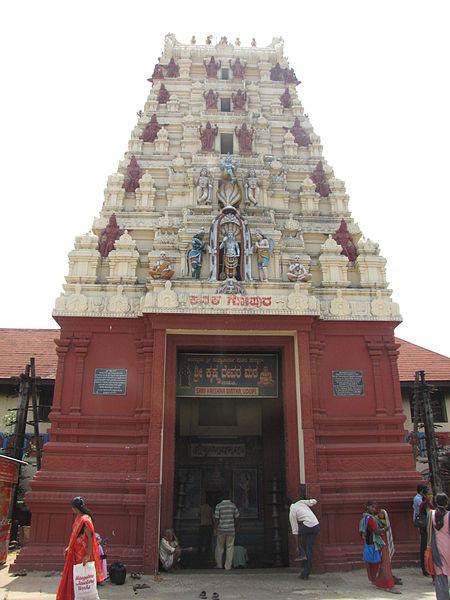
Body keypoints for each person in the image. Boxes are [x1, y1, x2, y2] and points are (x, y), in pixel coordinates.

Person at [56, 496, 104, 600]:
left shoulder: (85, 520)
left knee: (81, 576)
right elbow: (75, 535)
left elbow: (91, 538)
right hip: (75, 551)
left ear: (75, 508)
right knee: (75, 575)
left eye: (72, 508)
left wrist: (87, 555)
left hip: (82, 554)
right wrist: (69, 546)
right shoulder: (79, 518)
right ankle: (74, 595)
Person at [359, 499, 401, 594]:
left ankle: (380, 582)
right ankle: (389, 585)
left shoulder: (365, 518)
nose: (373, 509)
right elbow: (376, 531)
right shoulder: (370, 519)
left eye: (375, 507)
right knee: (385, 564)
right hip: (378, 544)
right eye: (372, 507)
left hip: (371, 545)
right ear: (367, 507)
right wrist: (385, 529)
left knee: (378, 565)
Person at [289, 496, 320, 579]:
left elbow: (295, 530)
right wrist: (312, 500)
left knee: (297, 534)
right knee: (309, 549)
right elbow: (313, 501)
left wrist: (296, 546)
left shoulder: (292, 511)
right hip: (316, 525)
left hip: (308, 526)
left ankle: (302, 553)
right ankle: (305, 573)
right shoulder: (300, 502)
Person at [428, 492, 450, 599]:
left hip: (437, 547)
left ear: (435, 503)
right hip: (448, 546)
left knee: (441, 575)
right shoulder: (449, 515)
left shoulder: (431, 514)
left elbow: (429, 532)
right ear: (447, 503)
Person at [214, 492, 239, 570]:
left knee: (219, 547)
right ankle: (228, 566)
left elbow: (217, 519)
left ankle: (219, 564)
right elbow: (237, 518)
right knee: (230, 547)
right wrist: (236, 527)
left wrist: (215, 529)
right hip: (231, 529)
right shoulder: (233, 506)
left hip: (221, 529)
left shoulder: (219, 506)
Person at [414, 483, 430, 576]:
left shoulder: (423, 498)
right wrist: (426, 498)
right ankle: (424, 568)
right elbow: (422, 507)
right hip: (422, 523)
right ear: (421, 491)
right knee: (423, 545)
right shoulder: (417, 498)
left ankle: (428, 567)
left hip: (427, 522)